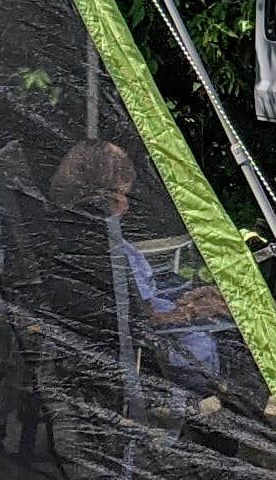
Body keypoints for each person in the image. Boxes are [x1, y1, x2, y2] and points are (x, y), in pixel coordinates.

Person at [49, 140, 236, 390]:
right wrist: (193, 313)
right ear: (99, 195)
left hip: (140, 332)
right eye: (122, 196)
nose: (126, 207)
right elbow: (139, 322)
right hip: (163, 359)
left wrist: (189, 300)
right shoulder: (106, 247)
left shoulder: (70, 233)